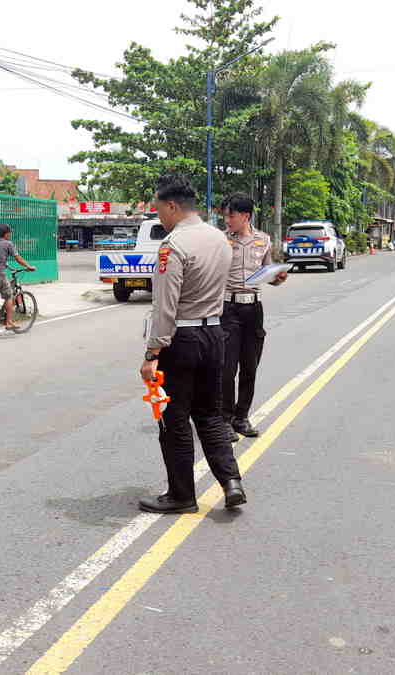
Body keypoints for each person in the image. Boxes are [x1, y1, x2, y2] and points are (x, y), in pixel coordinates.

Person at [138, 174, 245, 514]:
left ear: (172, 206)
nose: (159, 217)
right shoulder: (219, 239)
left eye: (159, 209)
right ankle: (232, 482)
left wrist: (152, 353)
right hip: (215, 334)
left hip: (182, 340)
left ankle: (182, 495)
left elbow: (165, 307)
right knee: (211, 415)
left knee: (175, 419)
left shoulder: (174, 245)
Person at [220, 192, 285, 439]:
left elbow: (269, 274)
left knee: (250, 366)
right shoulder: (220, 240)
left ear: (245, 216)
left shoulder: (263, 240)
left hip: (253, 310)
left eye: (231, 215)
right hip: (228, 309)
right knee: (227, 368)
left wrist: (278, 278)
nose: (227, 220)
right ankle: (224, 420)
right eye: (225, 216)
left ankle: (241, 417)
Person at [0, 224, 36, 331]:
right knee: (9, 295)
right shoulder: (8, 244)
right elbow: (18, 258)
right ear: (6, 234)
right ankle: (9, 322)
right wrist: (28, 267)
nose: (10, 234)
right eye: (9, 232)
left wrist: (6, 265)